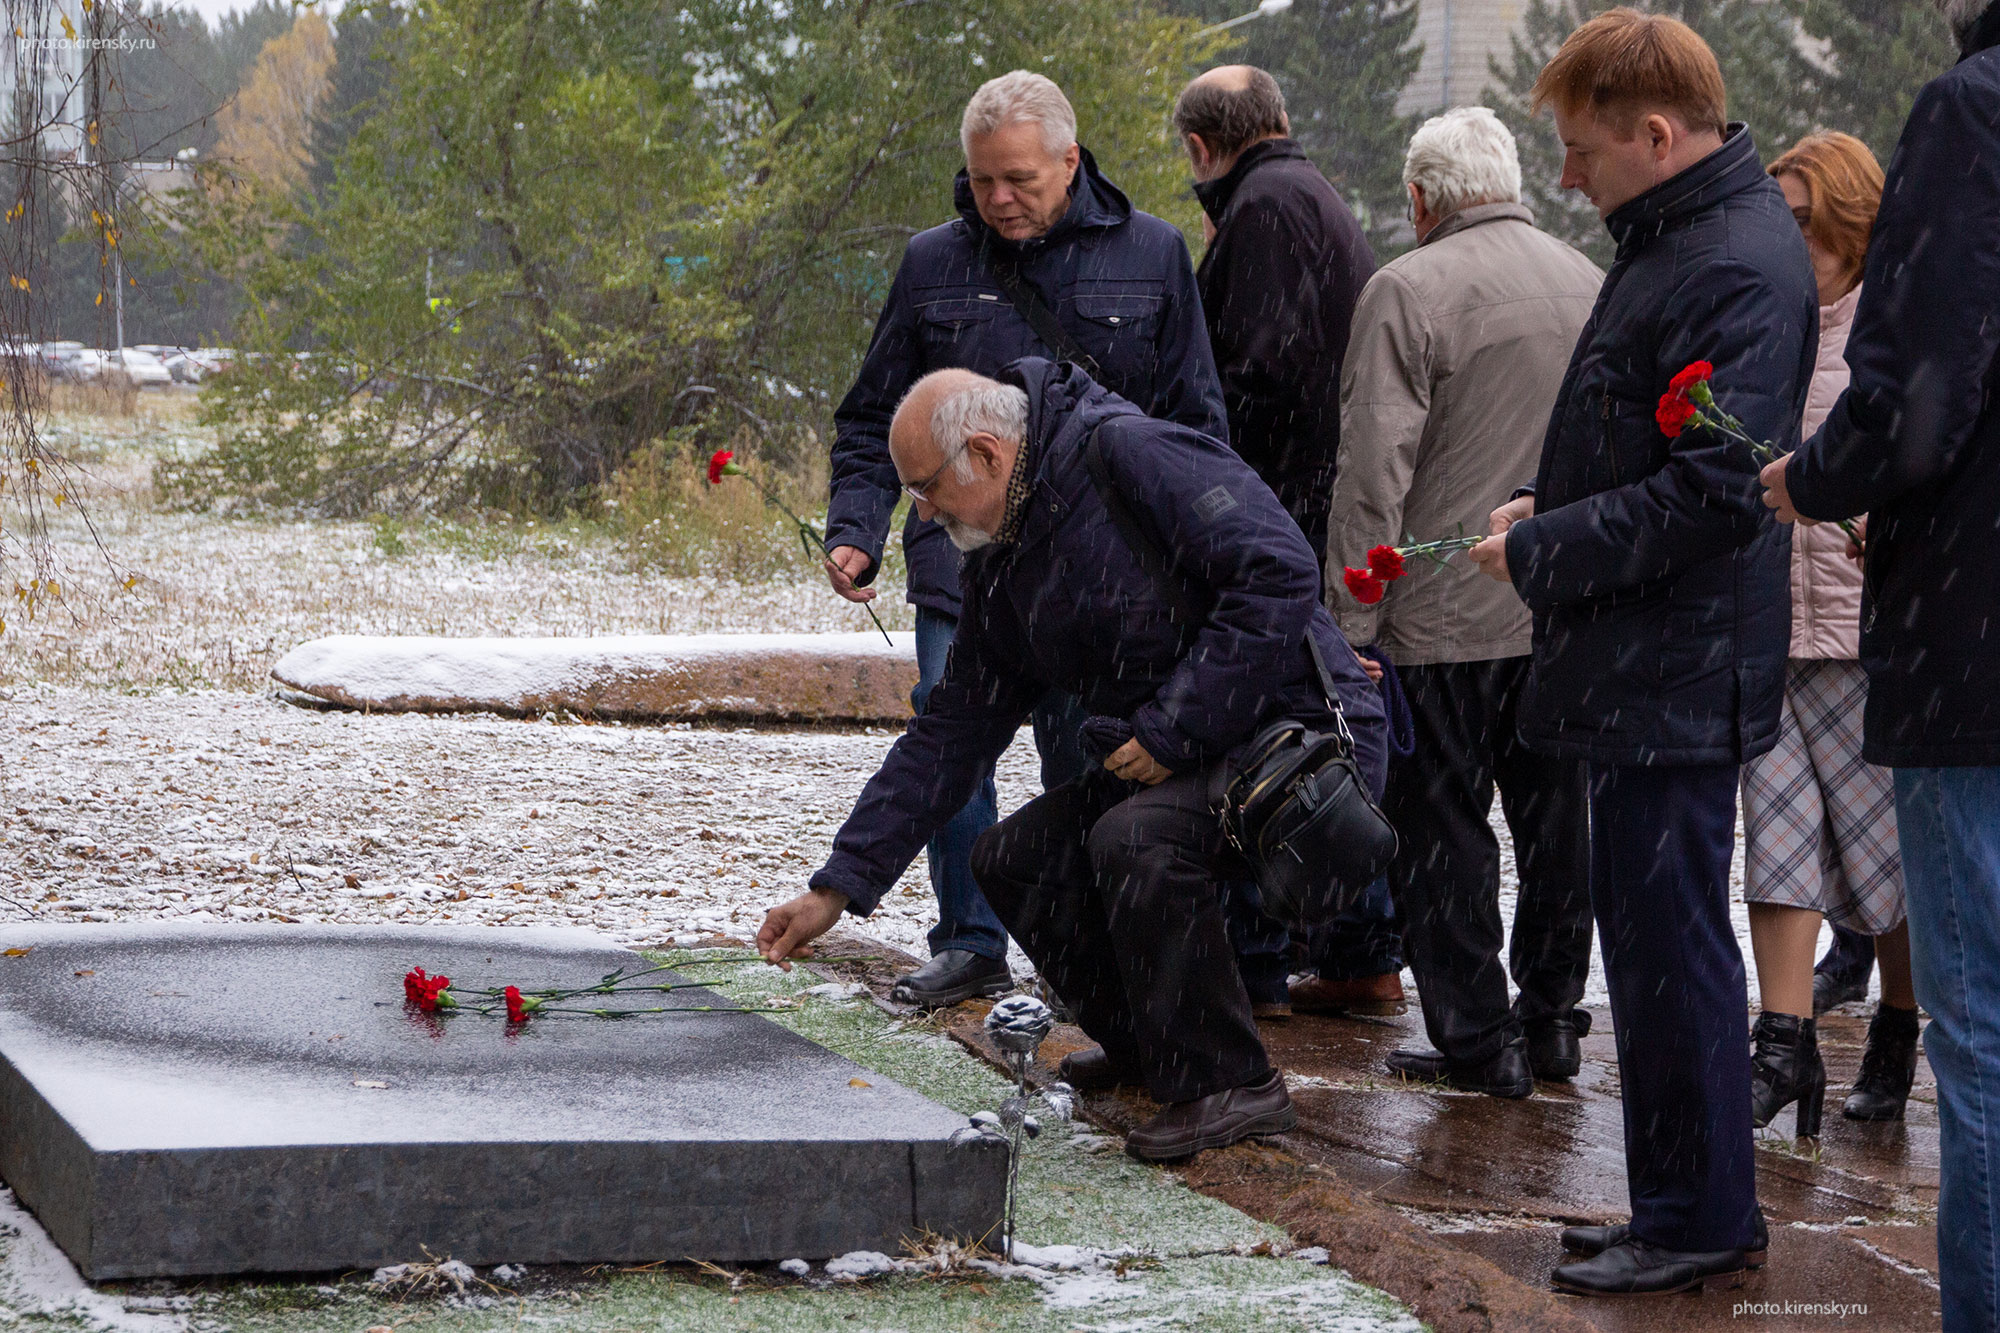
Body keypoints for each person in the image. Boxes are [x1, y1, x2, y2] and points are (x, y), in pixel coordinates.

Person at [759, 359, 1387, 1161]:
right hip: (1195, 750)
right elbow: (951, 731)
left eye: (926, 489)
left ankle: (1229, 1082)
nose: (921, 512)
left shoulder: (1131, 453)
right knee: (1014, 856)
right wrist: (836, 888)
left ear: (986, 455)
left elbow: (1278, 574)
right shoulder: (1004, 558)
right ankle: (1147, 1046)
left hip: (1297, 743)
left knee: (1134, 837)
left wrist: (1171, 731)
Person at [1468, 9, 1816, 1295]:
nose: (1565, 175)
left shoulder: (1726, 259)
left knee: (1670, 947)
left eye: (1579, 151)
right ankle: (1679, 1197)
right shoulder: (1679, 237)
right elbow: (1632, 440)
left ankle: (1700, 1217)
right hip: (1647, 660)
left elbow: (1717, 492)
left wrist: (1548, 550)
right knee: (1654, 939)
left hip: (1672, 665)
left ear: (1654, 136)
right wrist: (1535, 499)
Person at [821, 71, 1228, 1009]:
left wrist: (1189, 561)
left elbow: (1197, 427)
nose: (998, 199)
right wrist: (858, 527)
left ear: (1070, 162)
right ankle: (968, 939)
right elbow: (871, 415)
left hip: (1104, 579)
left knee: (1088, 761)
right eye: (982, 180)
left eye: (1019, 180)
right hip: (956, 563)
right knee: (950, 739)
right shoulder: (932, 264)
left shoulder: (1153, 253)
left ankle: (1082, 956)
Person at [1759, 0, 2000, 1321]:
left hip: (1970, 633)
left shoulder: (1974, 110)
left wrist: (1820, 478)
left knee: (1987, 1032)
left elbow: (1922, 378)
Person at [1328, 106, 1601, 1099]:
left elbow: (1371, 472)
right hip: (1559, 602)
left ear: (1418, 199)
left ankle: (1477, 1037)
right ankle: (1554, 1018)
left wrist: (1351, 620)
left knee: (1442, 831)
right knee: (1555, 823)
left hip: (1440, 616)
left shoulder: (1405, 290)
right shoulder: (1588, 280)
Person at [1172, 64, 1400, 1020]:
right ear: (1281, 120)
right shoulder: (1305, 192)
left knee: (1281, 733)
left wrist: (1219, 502)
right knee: (1319, 728)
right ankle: (1352, 946)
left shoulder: (1261, 209)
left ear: (1198, 148)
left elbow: (1253, 373)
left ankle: (1294, 954)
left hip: (1281, 512)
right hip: (1312, 502)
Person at [1742, 131, 1919, 1142]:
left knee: (1878, 855)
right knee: (1773, 838)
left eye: (1803, 218)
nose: (1789, 238)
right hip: (1770, 628)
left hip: (1857, 635)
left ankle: (1898, 1020)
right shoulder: (1768, 324)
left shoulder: (1887, 328)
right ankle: (1781, 1042)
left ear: (1850, 218)